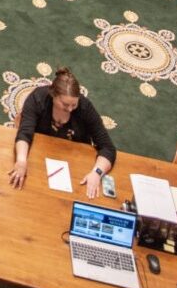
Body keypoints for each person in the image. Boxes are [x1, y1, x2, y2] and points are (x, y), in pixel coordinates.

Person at [9, 67, 116, 200]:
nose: (70, 109)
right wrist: (21, 160)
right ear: (53, 95)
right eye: (65, 105)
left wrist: (97, 173)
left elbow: (107, 147)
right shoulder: (38, 98)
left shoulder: (85, 108)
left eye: (74, 105)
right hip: (37, 156)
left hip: (73, 164)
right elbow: (25, 133)